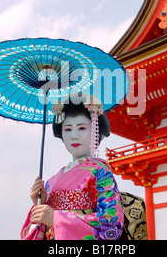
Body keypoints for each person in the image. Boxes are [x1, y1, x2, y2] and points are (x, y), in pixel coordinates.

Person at [20, 95, 124, 240]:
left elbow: (111, 223)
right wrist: (40, 203)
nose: (74, 136)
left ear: (95, 131)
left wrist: (57, 219)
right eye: (68, 129)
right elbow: (40, 228)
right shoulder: (51, 181)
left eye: (81, 128)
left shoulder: (99, 171)